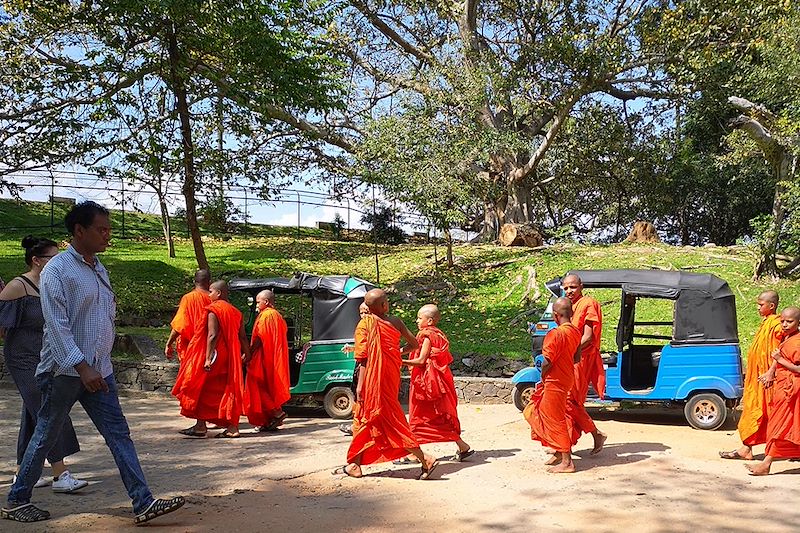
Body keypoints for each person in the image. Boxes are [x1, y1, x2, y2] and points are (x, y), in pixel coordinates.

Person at [1, 202, 184, 525]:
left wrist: (98, 365)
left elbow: (102, 319)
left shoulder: (98, 268)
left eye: (109, 229)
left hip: (100, 371)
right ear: (79, 231)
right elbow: (57, 327)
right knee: (45, 435)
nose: (107, 235)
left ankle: (142, 501)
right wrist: (82, 367)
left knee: (119, 434)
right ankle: (17, 500)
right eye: (101, 229)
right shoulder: (57, 271)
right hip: (63, 372)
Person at [0, 236, 87, 493]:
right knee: (48, 412)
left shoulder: (52, 285)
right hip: (22, 359)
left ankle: (24, 473)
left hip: (45, 358)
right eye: (53, 257)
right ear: (36, 261)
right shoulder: (18, 287)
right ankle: (61, 474)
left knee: (32, 413)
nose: (60, 261)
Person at [333, 289, 439, 480]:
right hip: (389, 378)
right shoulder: (395, 322)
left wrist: (360, 386)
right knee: (366, 419)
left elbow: (363, 359)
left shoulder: (364, 325)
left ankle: (425, 459)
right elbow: (414, 345)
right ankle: (354, 464)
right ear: (383, 306)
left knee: (387, 422)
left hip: (373, 382)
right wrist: (392, 354)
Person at [173, 280, 250, 438]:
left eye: (211, 292)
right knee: (227, 389)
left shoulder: (214, 310)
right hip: (231, 356)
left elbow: (212, 335)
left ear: (219, 293)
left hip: (216, 356)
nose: (209, 295)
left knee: (201, 387)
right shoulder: (236, 312)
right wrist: (247, 354)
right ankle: (231, 426)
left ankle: (201, 426)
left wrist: (207, 358)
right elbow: (242, 337)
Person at [402, 304, 472, 462]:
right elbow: (416, 349)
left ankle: (413, 452)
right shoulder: (439, 334)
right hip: (437, 380)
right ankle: (462, 446)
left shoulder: (426, 335)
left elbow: (420, 360)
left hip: (428, 384)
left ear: (430, 321)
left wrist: (399, 361)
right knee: (439, 415)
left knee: (420, 416)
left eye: (420, 318)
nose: (417, 321)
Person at [720, 291, 782, 460]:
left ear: (772, 306)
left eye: (761, 304)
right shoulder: (766, 323)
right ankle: (746, 448)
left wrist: (771, 372)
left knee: (770, 414)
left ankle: (776, 450)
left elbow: (782, 351)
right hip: (758, 379)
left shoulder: (777, 325)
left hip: (770, 380)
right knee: (754, 411)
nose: (758, 308)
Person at [523, 297, 582, 473]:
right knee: (538, 410)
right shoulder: (575, 332)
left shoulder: (555, 334)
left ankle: (567, 461)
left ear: (556, 316)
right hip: (566, 379)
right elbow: (576, 358)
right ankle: (557, 450)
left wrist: (543, 374)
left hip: (554, 381)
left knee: (553, 419)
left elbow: (547, 361)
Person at [745, 307, 800, 475]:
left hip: (792, 391)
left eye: (789, 321)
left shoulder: (797, 341)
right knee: (784, 427)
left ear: (798, 322)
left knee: (780, 428)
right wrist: (770, 372)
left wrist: (779, 359)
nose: (784, 324)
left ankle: (765, 464)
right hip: (782, 388)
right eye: (782, 321)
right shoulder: (788, 337)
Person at [561, 274, 607, 454]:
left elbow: (587, 337)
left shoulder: (588, 303)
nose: (569, 291)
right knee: (564, 400)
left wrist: (568, 352)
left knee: (571, 400)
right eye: (565, 288)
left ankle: (594, 434)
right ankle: (563, 445)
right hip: (569, 357)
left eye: (572, 287)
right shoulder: (568, 306)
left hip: (581, 358)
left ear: (581, 286)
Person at [244, 289, 290, 432]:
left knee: (257, 386)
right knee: (266, 387)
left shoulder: (266, 316)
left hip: (262, 357)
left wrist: (248, 353)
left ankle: (276, 412)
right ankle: (269, 418)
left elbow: (259, 338)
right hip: (273, 357)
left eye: (258, 302)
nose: (256, 305)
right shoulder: (278, 316)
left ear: (266, 302)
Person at [338, 301, 371, 437]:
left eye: (366, 312)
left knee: (363, 395)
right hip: (362, 365)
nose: (363, 315)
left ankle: (361, 427)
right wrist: (353, 348)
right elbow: (365, 347)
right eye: (361, 313)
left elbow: (367, 353)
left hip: (369, 367)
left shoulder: (373, 326)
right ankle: (358, 425)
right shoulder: (364, 326)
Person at [165, 270, 211, 361]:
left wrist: (168, 344)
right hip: (212, 349)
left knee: (190, 374)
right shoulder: (214, 298)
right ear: (209, 282)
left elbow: (180, 325)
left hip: (191, 348)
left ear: (194, 282)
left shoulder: (188, 298)